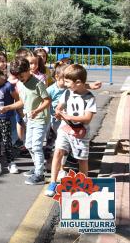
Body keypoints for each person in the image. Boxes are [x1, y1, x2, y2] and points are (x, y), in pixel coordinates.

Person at [45, 64, 97, 197]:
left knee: (82, 159)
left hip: (80, 133)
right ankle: (53, 182)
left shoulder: (89, 98)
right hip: (64, 128)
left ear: (78, 82)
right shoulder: (67, 92)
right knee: (58, 152)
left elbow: (87, 118)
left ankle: (83, 184)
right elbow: (60, 106)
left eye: (68, 81)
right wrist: (58, 111)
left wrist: (70, 116)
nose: (65, 84)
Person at [8, 58, 51, 185]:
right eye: (17, 76)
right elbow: (22, 101)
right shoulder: (22, 83)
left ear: (28, 70)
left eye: (21, 75)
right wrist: (8, 107)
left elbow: (47, 100)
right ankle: (38, 167)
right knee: (29, 145)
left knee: (37, 146)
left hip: (41, 119)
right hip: (30, 118)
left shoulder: (38, 84)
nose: (19, 78)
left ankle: (40, 175)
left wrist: (37, 110)